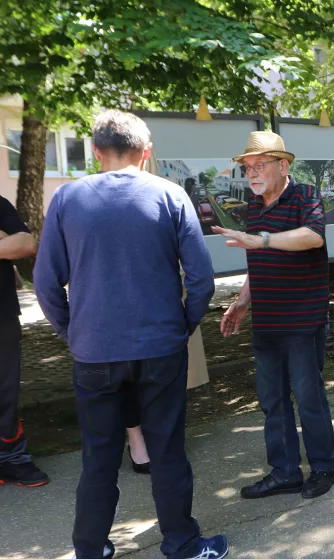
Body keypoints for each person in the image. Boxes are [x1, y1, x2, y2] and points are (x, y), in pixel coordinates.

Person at [33, 110, 227, 559]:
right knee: (167, 450)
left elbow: (45, 283)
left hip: (94, 352)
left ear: (96, 151)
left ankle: (90, 548)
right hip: (160, 347)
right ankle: (182, 544)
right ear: (147, 152)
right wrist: (182, 327)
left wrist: (71, 330)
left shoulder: (66, 199)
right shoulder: (170, 195)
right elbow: (201, 279)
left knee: (98, 456)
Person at [216, 131, 334, 501]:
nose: (251, 173)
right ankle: (285, 471)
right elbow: (259, 262)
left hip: (302, 320)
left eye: (260, 165)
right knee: (272, 400)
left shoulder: (304, 195)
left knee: (308, 395)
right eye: (248, 167)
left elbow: (313, 237)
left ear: (283, 166)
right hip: (267, 321)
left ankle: (322, 468)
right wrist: (242, 301)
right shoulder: (255, 206)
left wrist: (262, 239)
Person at [124, 150, 213, 475]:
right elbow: (201, 277)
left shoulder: (74, 198)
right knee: (145, 378)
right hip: (149, 313)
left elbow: (52, 279)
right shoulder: (169, 196)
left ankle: (144, 442)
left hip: (138, 314)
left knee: (139, 378)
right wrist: (187, 320)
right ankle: (143, 442)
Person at [0, 195, 47, 488]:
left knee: (5, 393)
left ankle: (12, 460)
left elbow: (26, 244)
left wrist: (9, 243)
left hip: (1, 315)